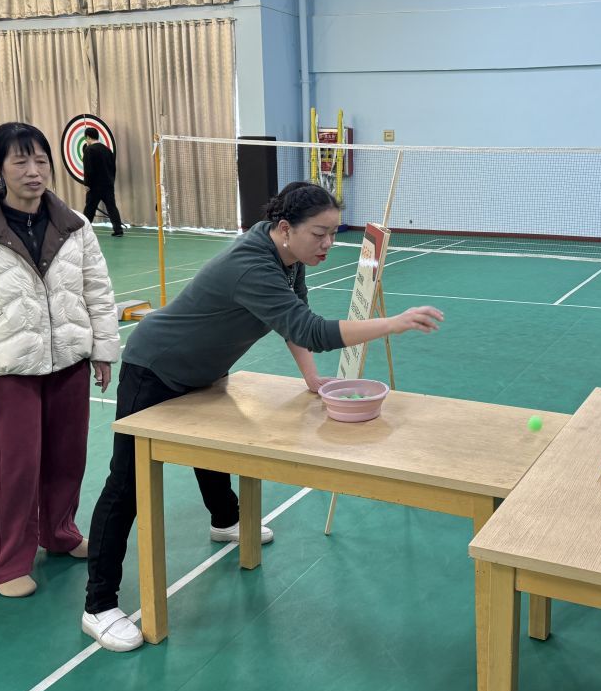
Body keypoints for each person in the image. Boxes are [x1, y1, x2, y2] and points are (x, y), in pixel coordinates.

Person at [81, 181, 444, 652]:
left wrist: (312, 378)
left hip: (204, 370)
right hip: (155, 368)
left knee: (210, 444)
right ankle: (98, 604)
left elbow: (293, 317)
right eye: (319, 234)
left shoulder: (287, 256)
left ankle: (225, 520)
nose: (327, 244)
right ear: (285, 228)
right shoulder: (251, 265)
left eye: (333, 234)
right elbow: (311, 330)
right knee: (126, 485)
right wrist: (392, 323)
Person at [0, 123, 119, 598]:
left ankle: (59, 533)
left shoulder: (75, 226)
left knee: (68, 458)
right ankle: (4, 561)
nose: (33, 171)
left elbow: (98, 291)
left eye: (41, 160)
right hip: (8, 370)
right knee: (16, 468)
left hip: (68, 363)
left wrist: (102, 349)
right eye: (20, 161)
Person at [81, 129, 123, 236]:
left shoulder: (89, 150)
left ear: (88, 137)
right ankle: (118, 230)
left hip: (94, 186)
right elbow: (113, 168)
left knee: (90, 208)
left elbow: (88, 169)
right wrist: (111, 180)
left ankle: (84, 231)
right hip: (108, 184)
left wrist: (87, 183)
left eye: (86, 138)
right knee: (112, 207)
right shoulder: (107, 150)